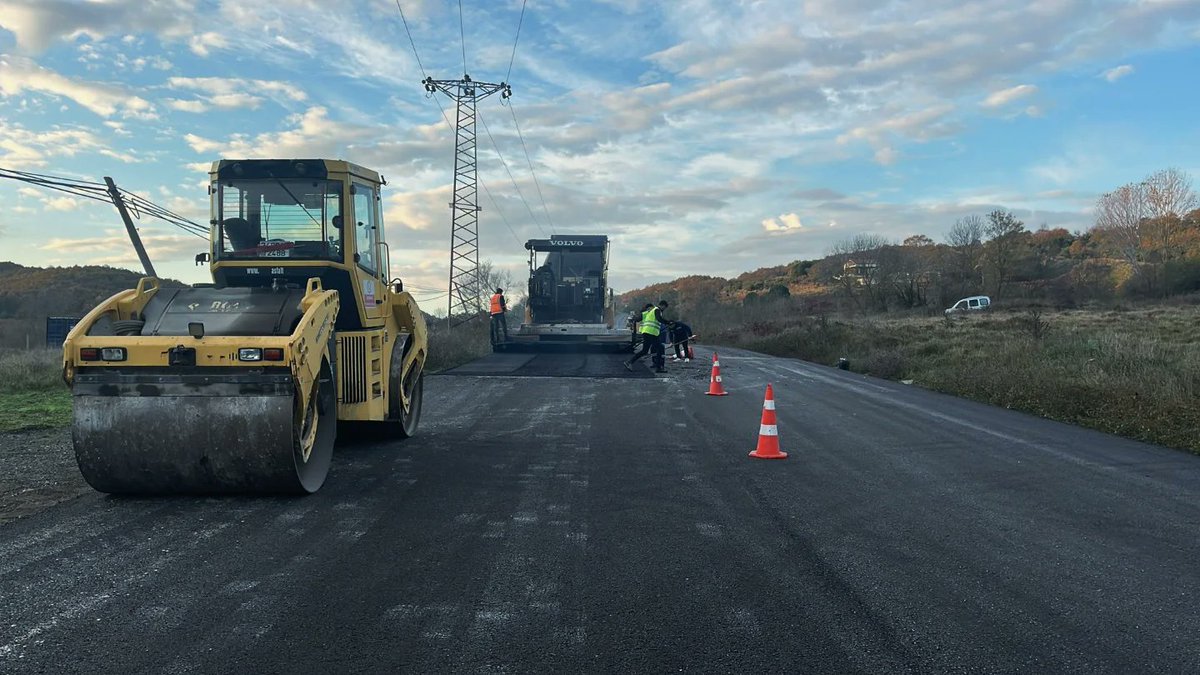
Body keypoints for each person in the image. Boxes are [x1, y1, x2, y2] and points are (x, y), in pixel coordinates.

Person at [624, 300, 671, 373]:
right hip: (651, 332)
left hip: (647, 332)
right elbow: (659, 319)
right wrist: (668, 322)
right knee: (660, 348)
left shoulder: (650, 312)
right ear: (662, 305)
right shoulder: (657, 310)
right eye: (664, 307)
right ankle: (659, 368)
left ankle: (629, 362)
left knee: (645, 350)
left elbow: (639, 319)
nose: (664, 309)